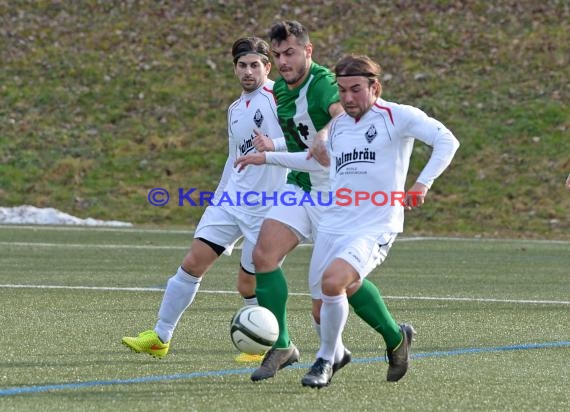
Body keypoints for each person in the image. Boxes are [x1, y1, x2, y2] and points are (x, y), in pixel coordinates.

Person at [236, 54, 460, 387]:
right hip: (334, 223)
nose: (348, 98)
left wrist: (422, 183)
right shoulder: (338, 127)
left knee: (333, 282)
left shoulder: (397, 116)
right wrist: (266, 157)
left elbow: (447, 141)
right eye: (342, 91)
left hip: (375, 225)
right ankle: (396, 338)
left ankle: (326, 360)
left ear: (375, 87)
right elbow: (316, 163)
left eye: (356, 89)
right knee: (333, 297)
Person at [121, 37, 288, 361]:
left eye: (255, 65)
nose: (248, 71)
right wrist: (220, 194)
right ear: (235, 69)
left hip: (269, 207)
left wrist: (275, 144)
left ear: (268, 67)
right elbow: (233, 156)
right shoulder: (235, 109)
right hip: (231, 200)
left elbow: (302, 138)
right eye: (242, 65)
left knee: (247, 284)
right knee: (192, 263)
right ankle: (160, 336)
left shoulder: (278, 97)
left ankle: (264, 345)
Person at [244, 20, 346, 382]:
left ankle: (395, 337)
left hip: (335, 195)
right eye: (278, 55)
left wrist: (324, 132)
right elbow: (301, 142)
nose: (283, 62)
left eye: (290, 53)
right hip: (300, 186)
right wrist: (272, 147)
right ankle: (283, 345)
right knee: (262, 255)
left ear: (308, 50)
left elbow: (343, 116)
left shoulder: (322, 85)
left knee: (334, 294)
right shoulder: (283, 93)